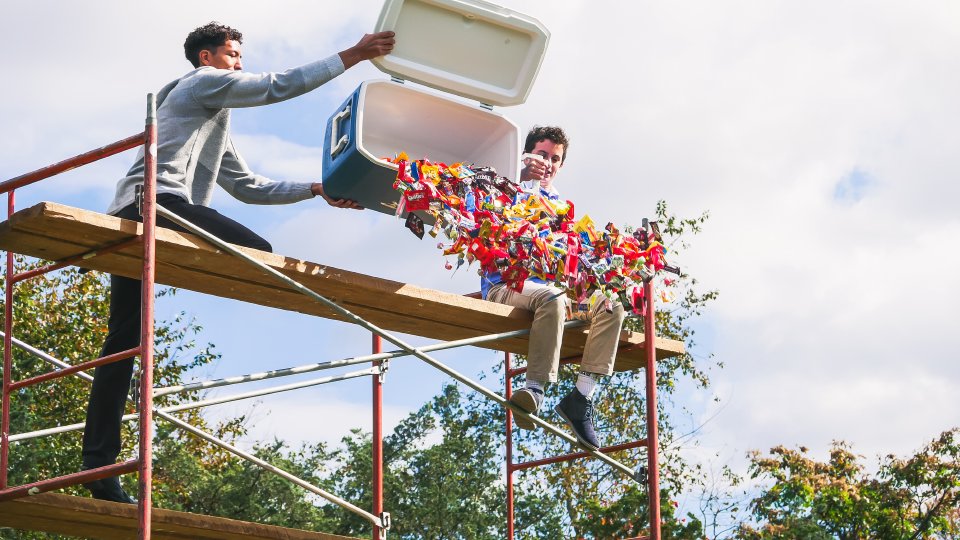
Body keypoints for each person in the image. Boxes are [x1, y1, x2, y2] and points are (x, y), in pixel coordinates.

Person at [81, 22, 395, 503]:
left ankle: (98, 467)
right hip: (155, 203)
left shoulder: (210, 114)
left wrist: (316, 189)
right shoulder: (201, 83)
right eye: (232, 55)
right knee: (257, 252)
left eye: (240, 57)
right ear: (206, 58)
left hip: (144, 207)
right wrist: (351, 55)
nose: (239, 64)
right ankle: (104, 463)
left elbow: (247, 186)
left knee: (123, 340)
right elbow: (276, 86)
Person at [483, 126, 626, 450]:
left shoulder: (561, 207)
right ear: (526, 155)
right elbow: (486, 207)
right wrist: (520, 175)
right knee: (553, 297)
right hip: (506, 285)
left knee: (611, 304)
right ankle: (534, 390)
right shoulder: (504, 184)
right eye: (541, 154)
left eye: (555, 158)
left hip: (553, 290)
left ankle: (581, 397)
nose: (547, 163)